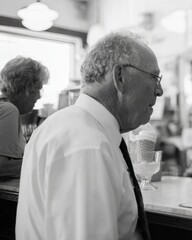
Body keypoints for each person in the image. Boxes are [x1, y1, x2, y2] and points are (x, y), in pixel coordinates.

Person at [16, 32, 163, 240]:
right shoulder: (89, 146)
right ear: (120, 77)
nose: (160, 91)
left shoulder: (62, 126)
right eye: (154, 78)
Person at [0, 56, 48, 179]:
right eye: (38, 89)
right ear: (26, 88)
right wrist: (46, 163)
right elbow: (2, 167)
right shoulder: (9, 110)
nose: (39, 96)